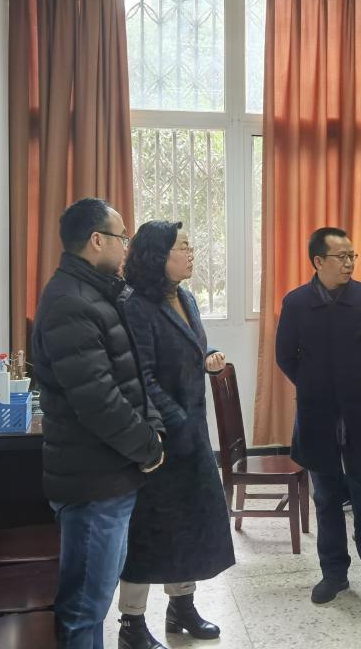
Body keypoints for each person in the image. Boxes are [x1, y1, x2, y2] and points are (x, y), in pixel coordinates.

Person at [30, 198, 166, 649]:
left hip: (107, 474)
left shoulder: (98, 293)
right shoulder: (70, 302)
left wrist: (151, 429)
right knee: (84, 608)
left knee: (94, 600)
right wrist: (148, 447)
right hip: (92, 482)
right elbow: (98, 401)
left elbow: (132, 379)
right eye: (121, 237)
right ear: (96, 240)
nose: (126, 246)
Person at [275, 227, 361, 625]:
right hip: (317, 416)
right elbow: (285, 356)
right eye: (341, 257)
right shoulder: (297, 303)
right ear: (318, 261)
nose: (349, 263)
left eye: (352, 256)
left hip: (360, 415)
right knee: (326, 501)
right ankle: (333, 574)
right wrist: (316, 387)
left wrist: (357, 386)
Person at [116, 221, 235, 649]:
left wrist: (209, 355)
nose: (191, 253)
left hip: (191, 432)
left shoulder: (185, 298)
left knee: (190, 524)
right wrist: (176, 423)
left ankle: (181, 606)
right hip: (160, 440)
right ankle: (131, 622)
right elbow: (142, 377)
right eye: (183, 247)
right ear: (157, 256)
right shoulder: (135, 305)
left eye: (190, 246)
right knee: (150, 530)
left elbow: (192, 346)